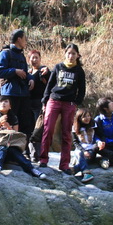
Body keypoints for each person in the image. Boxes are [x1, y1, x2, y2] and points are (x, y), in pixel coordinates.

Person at [39, 44, 86, 174]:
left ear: (77, 56)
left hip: (69, 104)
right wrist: (45, 100)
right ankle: (43, 160)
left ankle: (64, 164)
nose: (71, 56)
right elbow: (50, 85)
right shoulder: (58, 67)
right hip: (54, 100)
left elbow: (82, 90)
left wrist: (75, 103)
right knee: (48, 130)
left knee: (66, 134)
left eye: (74, 54)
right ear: (65, 53)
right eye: (69, 53)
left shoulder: (79, 71)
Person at [0, 96, 47, 179]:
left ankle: (32, 169)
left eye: (6, 101)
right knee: (2, 146)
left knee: (12, 149)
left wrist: (8, 127)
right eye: (0, 102)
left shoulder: (13, 118)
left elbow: (16, 137)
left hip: (10, 149)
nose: (3, 103)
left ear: (10, 106)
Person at [0, 29, 35, 142]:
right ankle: (9, 146)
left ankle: (24, 147)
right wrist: (15, 71)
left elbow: (25, 73)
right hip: (10, 94)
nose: (26, 41)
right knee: (11, 121)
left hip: (23, 94)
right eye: (25, 39)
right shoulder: (5, 53)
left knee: (25, 122)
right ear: (19, 39)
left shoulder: (21, 56)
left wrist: (31, 79)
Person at [27, 49, 50, 162]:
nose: (34, 60)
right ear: (29, 59)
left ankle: (38, 154)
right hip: (27, 104)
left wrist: (48, 71)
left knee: (38, 129)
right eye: (32, 58)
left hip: (39, 103)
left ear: (40, 59)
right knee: (29, 128)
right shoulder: (28, 72)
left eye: (36, 57)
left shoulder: (43, 71)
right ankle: (30, 153)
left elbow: (50, 81)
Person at [72, 108, 96, 183]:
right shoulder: (75, 127)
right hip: (80, 149)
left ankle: (73, 170)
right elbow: (75, 142)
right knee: (80, 154)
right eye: (84, 117)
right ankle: (87, 173)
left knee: (84, 157)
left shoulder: (93, 124)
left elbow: (99, 136)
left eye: (88, 116)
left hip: (91, 148)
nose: (87, 118)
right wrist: (84, 151)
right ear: (79, 118)